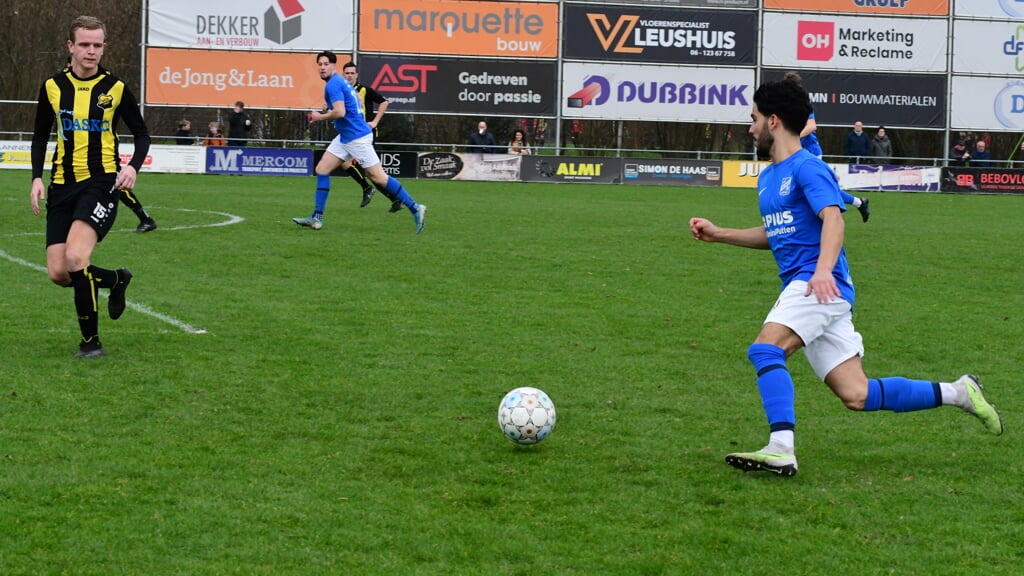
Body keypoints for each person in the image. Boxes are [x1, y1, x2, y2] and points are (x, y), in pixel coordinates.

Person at [688, 78, 1003, 477]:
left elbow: (834, 219)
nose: (748, 128)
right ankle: (959, 392)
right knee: (857, 393)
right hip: (814, 288)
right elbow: (778, 233)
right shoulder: (770, 176)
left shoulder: (808, 167)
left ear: (772, 121)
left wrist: (821, 272)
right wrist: (720, 234)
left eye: (752, 119)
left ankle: (781, 446)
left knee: (765, 349)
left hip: (818, 284)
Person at [29, 15, 150, 358]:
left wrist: (133, 167)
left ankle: (90, 343)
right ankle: (114, 280)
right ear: (71, 46)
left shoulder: (116, 88)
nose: (91, 51)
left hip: (100, 184)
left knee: (75, 257)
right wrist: (37, 177)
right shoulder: (53, 87)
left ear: (103, 47)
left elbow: (142, 134)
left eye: (97, 45)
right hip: (61, 186)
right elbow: (40, 135)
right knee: (58, 272)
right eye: (84, 44)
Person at [293, 50, 426, 233]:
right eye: (320, 64)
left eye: (326, 64)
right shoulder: (341, 82)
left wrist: (319, 116)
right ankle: (317, 218)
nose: (322, 67)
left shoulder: (333, 85)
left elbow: (340, 112)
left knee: (378, 177)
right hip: (346, 136)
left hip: (356, 137)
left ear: (333, 65)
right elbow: (353, 101)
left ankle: (415, 207)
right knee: (322, 169)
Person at [784, 72, 870, 223]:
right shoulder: (784, 107)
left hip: (811, 152)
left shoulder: (804, 105)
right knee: (803, 187)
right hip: (795, 152)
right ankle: (859, 203)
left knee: (819, 188)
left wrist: (794, 138)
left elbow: (811, 126)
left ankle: (812, 220)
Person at [339, 61, 401, 213]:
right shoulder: (341, 92)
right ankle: (388, 196)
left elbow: (384, 102)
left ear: (356, 75)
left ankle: (387, 195)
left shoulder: (364, 90)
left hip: (365, 134)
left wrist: (375, 122)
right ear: (343, 74)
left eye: (352, 73)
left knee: (371, 172)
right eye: (347, 73)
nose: (349, 76)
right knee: (352, 166)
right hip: (352, 134)